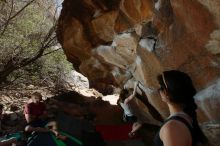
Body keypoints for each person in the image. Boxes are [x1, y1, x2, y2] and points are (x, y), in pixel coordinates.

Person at [154, 70, 209, 146]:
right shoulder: (184, 118)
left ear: (166, 93)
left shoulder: (172, 128)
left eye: (160, 87)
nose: (158, 90)